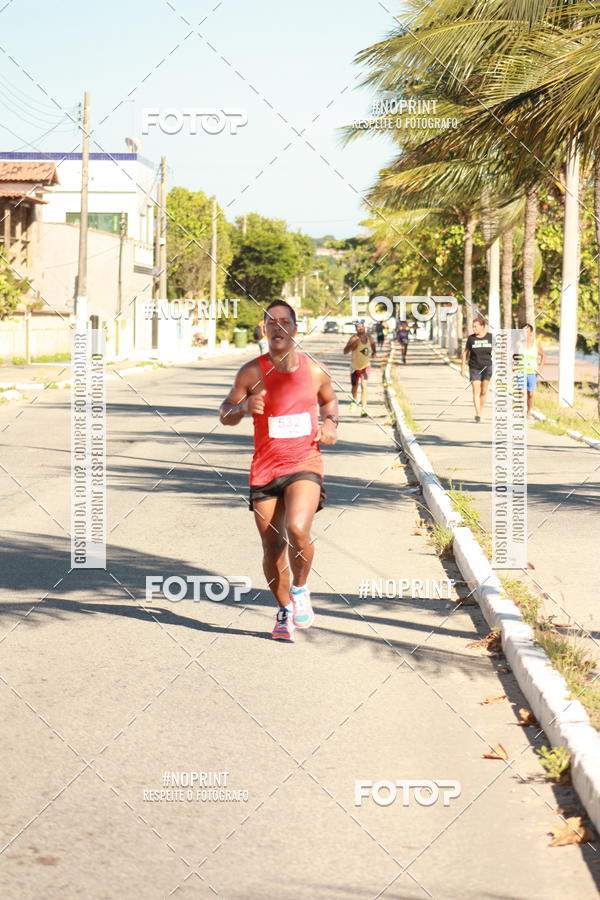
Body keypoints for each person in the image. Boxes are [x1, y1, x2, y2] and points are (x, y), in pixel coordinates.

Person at [220, 300, 338, 641]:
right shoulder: (251, 372)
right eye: (271, 322)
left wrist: (330, 423)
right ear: (263, 329)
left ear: (295, 329)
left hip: (304, 463)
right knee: (272, 548)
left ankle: (300, 589)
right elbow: (225, 413)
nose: (278, 327)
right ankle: (284, 609)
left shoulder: (315, 370)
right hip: (265, 469)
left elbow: (329, 401)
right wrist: (242, 408)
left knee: (298, 529)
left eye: (285, 322)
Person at [461, 316, 493, 422]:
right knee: (476, 390)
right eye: (473, 327)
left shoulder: (490, 337)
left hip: (487, 367)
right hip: (474, 367)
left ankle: (481, 410)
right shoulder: (471, 338)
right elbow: (465, 353)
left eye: (476, 327)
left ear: (482, 326)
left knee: (483, 391)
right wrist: (462, 368)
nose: (474, 329)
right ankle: (478, 413)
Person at [343, 320, 376, 416]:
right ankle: (354, 400)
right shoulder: (353, 338)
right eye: (358, 327)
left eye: (362, 326)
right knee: (354, 386)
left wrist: (374, 352)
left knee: (364, 386)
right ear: (356, 329)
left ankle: (364, 409)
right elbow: (345, 351)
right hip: (354, 367)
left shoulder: (369, 338)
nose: (360, 328)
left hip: (365, 366)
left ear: (364, 327)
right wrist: (353, 345)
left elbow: (373, 345)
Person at [519, 323, 545, 418]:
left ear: (531, 332)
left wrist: (540, 368)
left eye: (526, 331)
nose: (524, 333)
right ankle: (521, 411)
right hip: (520, 371)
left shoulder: (536, 343)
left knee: (530, 394)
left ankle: (529, 411)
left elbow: (543, 356)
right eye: (523, 331)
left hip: (532, 372)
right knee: (521, 392)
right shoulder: (519, 343)